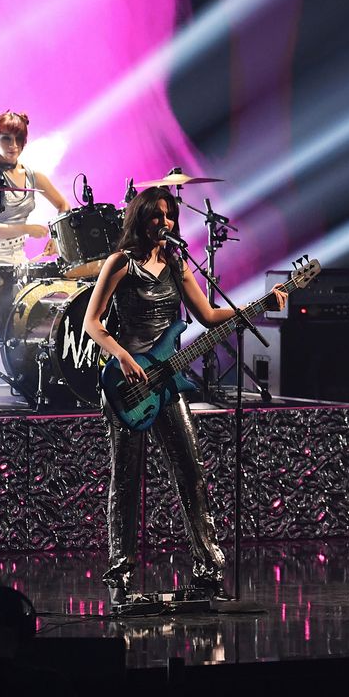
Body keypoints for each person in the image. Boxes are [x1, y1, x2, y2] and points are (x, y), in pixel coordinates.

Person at [83, 187, 286, 602]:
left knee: (191, 472)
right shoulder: (120, 264)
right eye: (156, 215)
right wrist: (122, 356)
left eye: (170, 215)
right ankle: (120, 576)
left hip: (169, 385)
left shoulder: (177, 265)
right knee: (126, 480)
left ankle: (207, 569)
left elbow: (209, 316)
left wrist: (260, 305)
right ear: (141, 218)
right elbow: (92, 322)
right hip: (129, 386)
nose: (165, 222)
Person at [0, 111, 70, 265]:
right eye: (6, 139)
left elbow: (63, 205)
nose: (14, 145)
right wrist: (27, 229)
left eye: (19, 139)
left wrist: (58, 240)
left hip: (19, 259)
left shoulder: (33, 176)